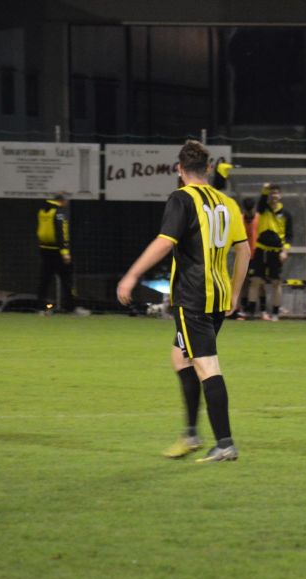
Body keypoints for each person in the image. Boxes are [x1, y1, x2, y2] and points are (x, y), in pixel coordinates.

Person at [116, 140, 250, 463]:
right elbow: (244, 250)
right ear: (208, 169)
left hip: (193, 297)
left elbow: (165, 242)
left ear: (179, 170)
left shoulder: (181, 198)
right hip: (218, 296)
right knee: (180, 357)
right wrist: (234, 292)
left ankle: (225, 443)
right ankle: (191, 435)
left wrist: (132, 275)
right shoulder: (227, 203)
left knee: (206, 365)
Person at [36, 193, 87, 315]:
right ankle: (71, 307)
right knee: (67, 280)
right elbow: (62, 232)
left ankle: (41, 308)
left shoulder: (43, 211)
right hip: (57, 251)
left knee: (45, 279)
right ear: (62, 201)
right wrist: (65, 252)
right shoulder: (59, 212)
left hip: (44, 249)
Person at [255, 183, 293, 321]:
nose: (273, 196)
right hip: (261, 249)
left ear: (280, 195)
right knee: (259, 281)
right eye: (271, 193)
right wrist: (264, 189)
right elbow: (260, 204)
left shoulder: (286, 214)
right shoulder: (263, 209)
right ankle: (263, 311)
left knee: (276, 282)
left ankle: (276, 312)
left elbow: (289, 235)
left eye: (276, 193)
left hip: (276, 251)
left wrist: (285, 251)